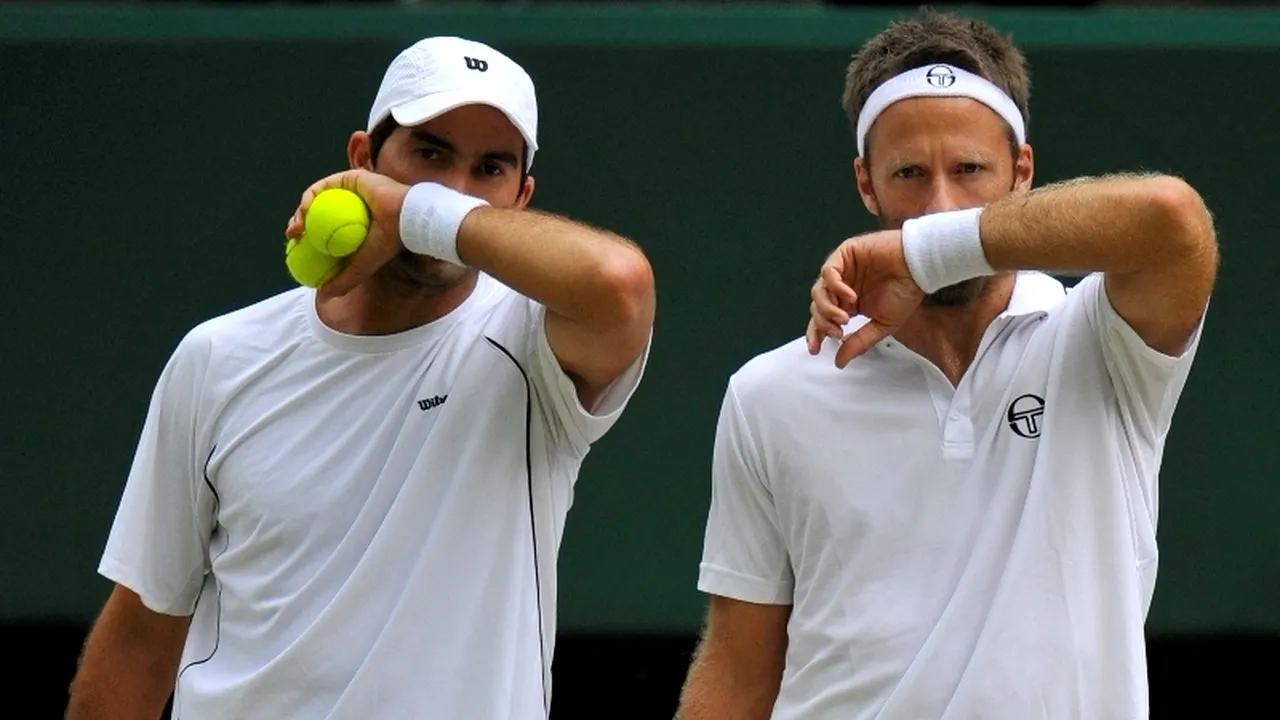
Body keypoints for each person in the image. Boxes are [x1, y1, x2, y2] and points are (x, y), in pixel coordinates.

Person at [66, 36, 655, 720]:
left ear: (520, 197)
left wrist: (413, 213)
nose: (458, 188)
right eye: (430, 154)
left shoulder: (534, 346)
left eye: (489, 169)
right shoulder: (219, 358)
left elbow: (619, 283)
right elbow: (141, 633)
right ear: (362, 160)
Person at [678, 9, 1216, 720]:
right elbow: (739, 673)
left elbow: (1169, 220)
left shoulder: (1098, 342)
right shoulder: (769, 392)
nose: (939, 205)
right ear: (866, 184)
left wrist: (926, 252)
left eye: (969, 171)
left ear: (1022, 171)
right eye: (909, 174)